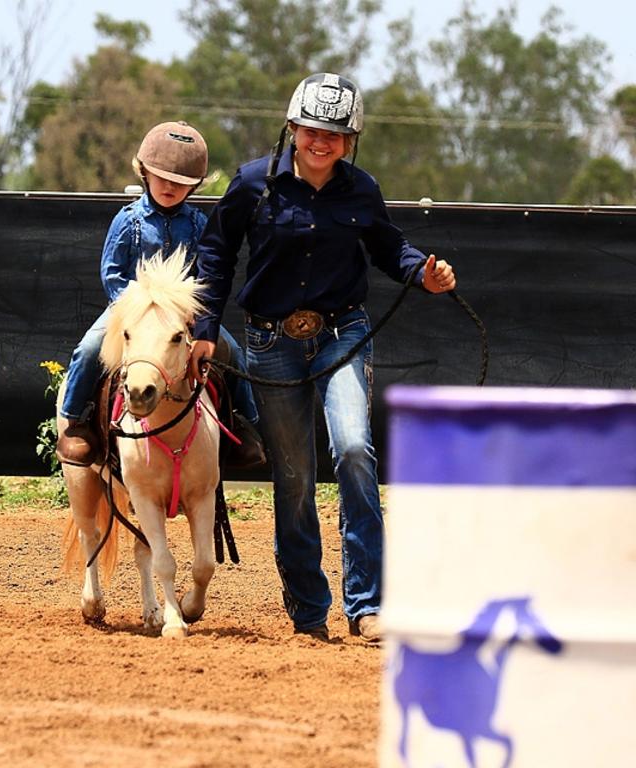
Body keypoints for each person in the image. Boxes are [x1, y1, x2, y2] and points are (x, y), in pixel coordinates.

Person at [188, 73, 457, 643]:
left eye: (335, 133)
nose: (321, 141)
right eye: (312, 129)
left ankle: (367, 604)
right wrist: (205, 327)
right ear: (292, 127)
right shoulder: (252, 185)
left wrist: (421, 273)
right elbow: (216, 253)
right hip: (268, 342)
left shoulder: (361, 190)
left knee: (355, 450)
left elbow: (388, 246)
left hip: (344, 334)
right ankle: (309, 612)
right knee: (294, 476)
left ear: (350, 139)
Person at [56, 120, 264, 469]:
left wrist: (193, 312)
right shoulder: (127, 220)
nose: (170, 186)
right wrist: (135, 306)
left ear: (195, 185)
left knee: (232, 352)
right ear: (144, 173)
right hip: (131, 313)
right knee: (89, 349)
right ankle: (75, 422)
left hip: (181, 318)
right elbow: (112, 272)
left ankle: (246, 425)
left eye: (181, 182)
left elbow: (206, 273)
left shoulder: (198, 224)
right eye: (162, 177)